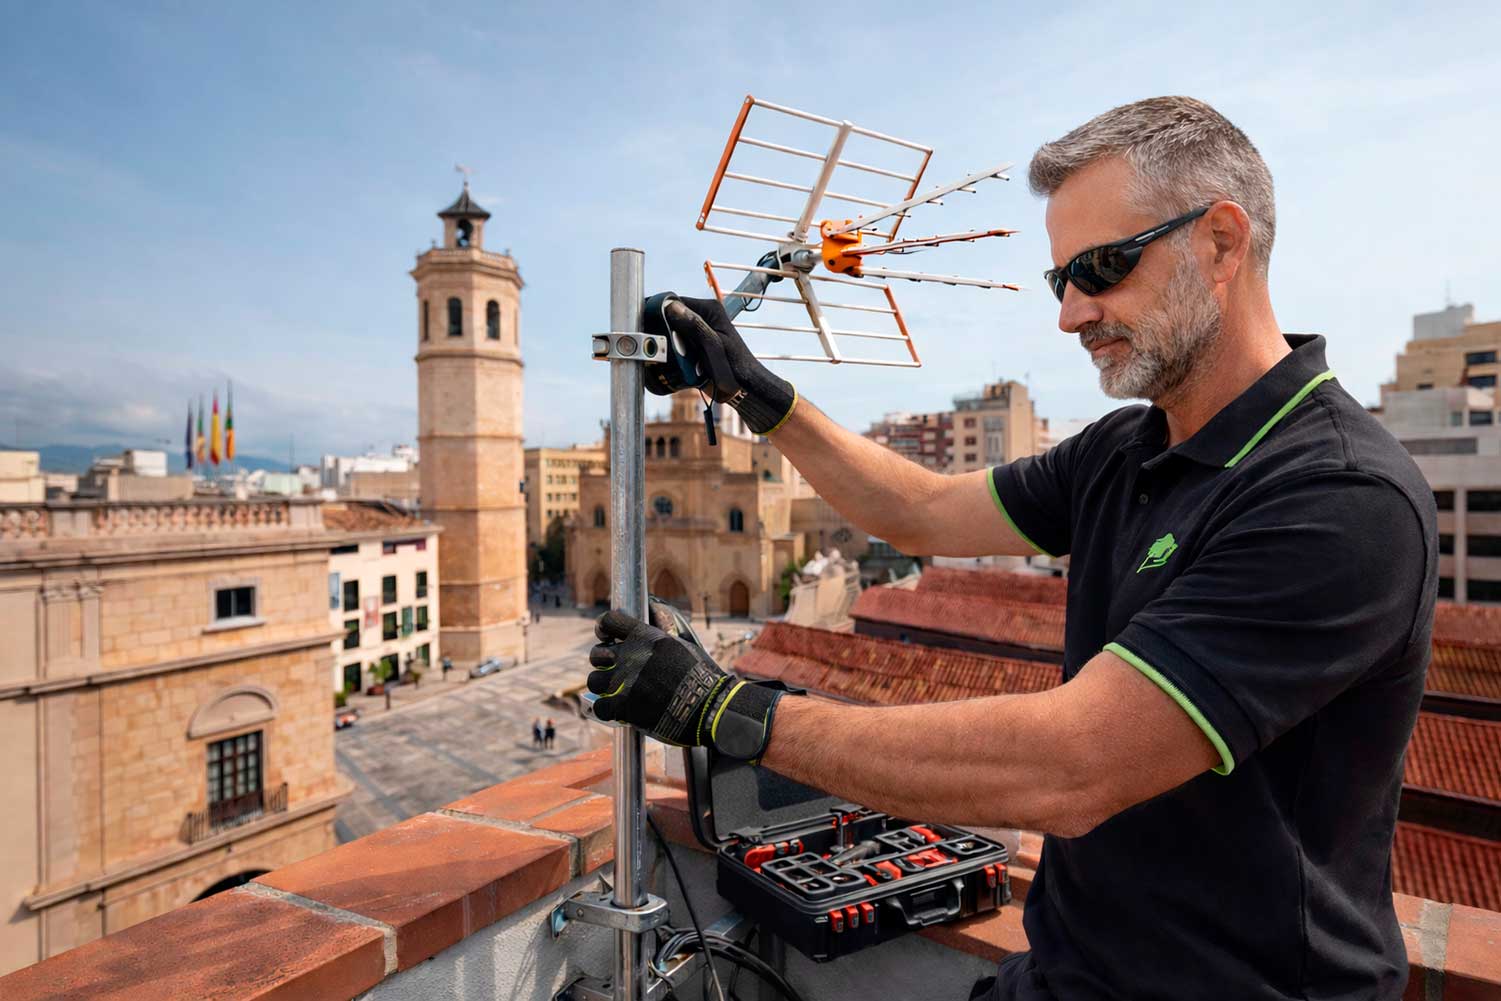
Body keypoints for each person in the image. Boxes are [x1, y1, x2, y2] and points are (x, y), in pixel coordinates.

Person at [584, 97, 1436, 1000]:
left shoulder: (1337, 496)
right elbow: (921, 510)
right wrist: (763, 397)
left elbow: (1073, 763)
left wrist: (725, 711)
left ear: (1222, 244)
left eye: (1101, 268)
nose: (1071, 313)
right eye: (1059, 278)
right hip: (1072, 976)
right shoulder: (1128, 449)